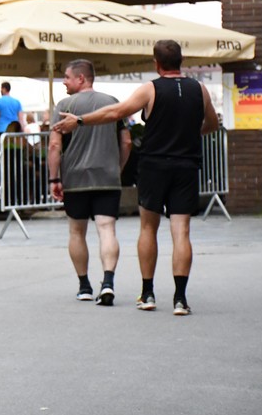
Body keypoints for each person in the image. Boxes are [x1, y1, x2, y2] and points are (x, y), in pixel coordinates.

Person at [51, 40, 219, 316]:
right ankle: (180, 298)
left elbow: (116, 113)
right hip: (186, 165)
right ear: (182, 60)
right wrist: (189, 135)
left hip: (154, 166)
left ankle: (148, 292)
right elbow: (212, 124)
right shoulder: (199, 90)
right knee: (181, 231)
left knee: (148, 229)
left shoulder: (150, 89)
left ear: (156, 63)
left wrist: (79, 121)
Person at [46, 59, 132, 305]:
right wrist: (117, 168)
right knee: (107, 230)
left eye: (67, 77)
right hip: (107, 177)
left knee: (76, 231)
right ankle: (108, 282)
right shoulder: (113, 103)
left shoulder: (64, 105)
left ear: (81, 78)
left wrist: (54, 178)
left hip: (75, 178)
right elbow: (126, 142)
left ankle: (84, 286)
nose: (64, 81)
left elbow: (54, 145)